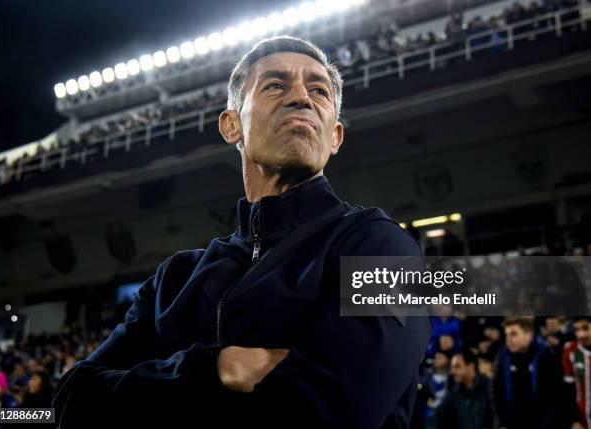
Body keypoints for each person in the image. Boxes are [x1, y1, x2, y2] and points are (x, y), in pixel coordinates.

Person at [52, 36, 432, 428]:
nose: (302, 98)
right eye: (275, 85)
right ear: (231, 125)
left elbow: (331, 412)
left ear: (335, 136)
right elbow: (73, 401)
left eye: (318, 90)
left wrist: (152, 393)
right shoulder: (173, 280)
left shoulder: (383, 246)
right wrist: (214, 368)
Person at [493, 316, 562, 429]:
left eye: (514, 334)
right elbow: (496, 393)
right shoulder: (503, 357)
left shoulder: (545, 356)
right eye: (507, 335)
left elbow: (553, 396)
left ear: (528, 335)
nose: (508, 339)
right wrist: (501, 424)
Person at [434, 349, 493, 429]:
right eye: (452, 367)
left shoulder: (489, 388)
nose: (452, 371)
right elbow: (440, 415)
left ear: (471, 366)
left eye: (457, 366)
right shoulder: (454, 392)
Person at [563, 316, 591, 429]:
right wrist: (573, 419)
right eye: (576, 329)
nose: (581, 334)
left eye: (585, 328)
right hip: (582, 418)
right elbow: (568, 389)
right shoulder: (570, 350)